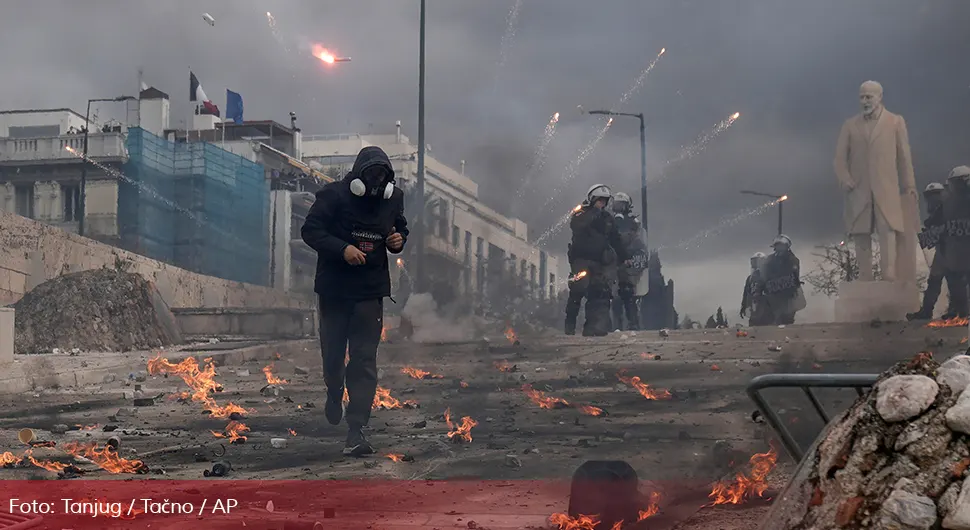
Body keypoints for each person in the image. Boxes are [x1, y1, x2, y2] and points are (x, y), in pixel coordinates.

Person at [301, 146, 408, 457]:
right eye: (371, 176)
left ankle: (356, 428)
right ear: (358, 176)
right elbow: (310, 231)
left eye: (382, 177)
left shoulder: (394, 199)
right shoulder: (333, 196)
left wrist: (398, 240)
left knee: (363, 361)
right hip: (335, 291)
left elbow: (399, 227)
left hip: (370, 293)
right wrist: (342, 249)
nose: (375, 183)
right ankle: (334, 392)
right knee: (333, 357)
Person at [565, 184, 627, 336]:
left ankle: (595, 328)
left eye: (604, 201)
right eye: (599, 200)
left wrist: (624, 256)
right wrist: (593, 213)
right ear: (592, 199)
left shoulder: (607, 219)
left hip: (600, 262)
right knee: (577, 291)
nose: (602, 204)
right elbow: (576, 226)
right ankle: (569, 327)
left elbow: (615, 239)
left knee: (600, 293)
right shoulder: (580, 214)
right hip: (581, 260)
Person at [908, 182, 950, 320]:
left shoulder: (948, 209)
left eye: (935, 195)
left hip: (954, 250)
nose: (933, 199)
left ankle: (958, 311)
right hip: (943, 250)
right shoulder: (938, 211)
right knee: (935, 281)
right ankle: (926, 311)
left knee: (955, 282)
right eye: (930, 196)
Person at [610, 192, 645, 331]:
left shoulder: (632, 222)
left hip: (626, 262)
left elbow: (635, 241)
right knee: (614, 297)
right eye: (616, 204)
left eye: (620, 205)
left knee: (628, 294)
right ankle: (616, 325)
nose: (618, 207)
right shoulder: (609, 220)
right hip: (613, 262)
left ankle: (633, 323)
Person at [940, 166, 970, 319]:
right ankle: (961, 312)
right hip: (957, 250)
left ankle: (962, 312)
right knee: (953, 276)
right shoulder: (949, 202)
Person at [762, 235, 804, 325]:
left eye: (782, 246)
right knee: (775, 316)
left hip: (788, 292)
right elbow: (765, 275)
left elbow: (795, 274)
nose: (779, 248)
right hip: (774, 292)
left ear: (787, 247)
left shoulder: (792, 259)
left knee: (788, 317)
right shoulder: (770, 260)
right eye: (778, 246)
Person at [740, 252, 771, 326]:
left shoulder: (769, 277)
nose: (754, 264)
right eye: (753, 261)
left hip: (767, 309)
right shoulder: (750, 278)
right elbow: (746, 293)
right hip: (754, 308)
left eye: (756, 261)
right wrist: (743, 306)